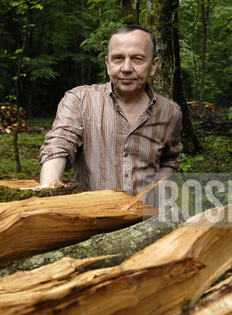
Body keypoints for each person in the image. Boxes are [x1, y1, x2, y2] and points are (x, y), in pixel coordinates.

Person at [38, 25, 182, 198]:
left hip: (146, 219)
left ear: (153, 65)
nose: (127, 68)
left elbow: (169, 158)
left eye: (137, 59)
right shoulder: (80, 100)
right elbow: (58, 146)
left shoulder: (170, 112)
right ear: (108, 63)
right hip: (92, 217)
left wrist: (156, 194)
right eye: (118, 58)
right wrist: (47, 193)